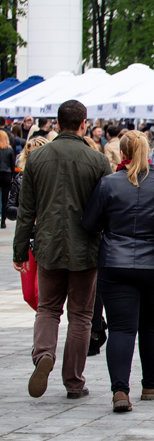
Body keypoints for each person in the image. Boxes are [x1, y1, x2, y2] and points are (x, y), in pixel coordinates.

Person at [81, 131, 154, 413]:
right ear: (148, 153)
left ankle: (120, 391)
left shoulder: (108, 184)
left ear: (122, 154)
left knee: (121, 328)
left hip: (115, 264)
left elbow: (89, 224)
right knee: (152, 325)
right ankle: (150, 385)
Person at [13, 100, 110, 400]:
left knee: (48, 308)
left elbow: (25, 210)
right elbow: (106, 209)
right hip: (86, 247)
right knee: (80, 315)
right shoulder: (97, 161)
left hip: (48, 245)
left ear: (56, 124)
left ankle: (43, 354)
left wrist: (19, 252)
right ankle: (74, 382)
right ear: (83, 124)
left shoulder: (38, 157)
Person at [0, 131, 14, 229]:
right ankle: (3, 221)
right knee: (5, 198)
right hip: (7, 174)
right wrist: (12, 175)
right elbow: (12, 164)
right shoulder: (9, 150)